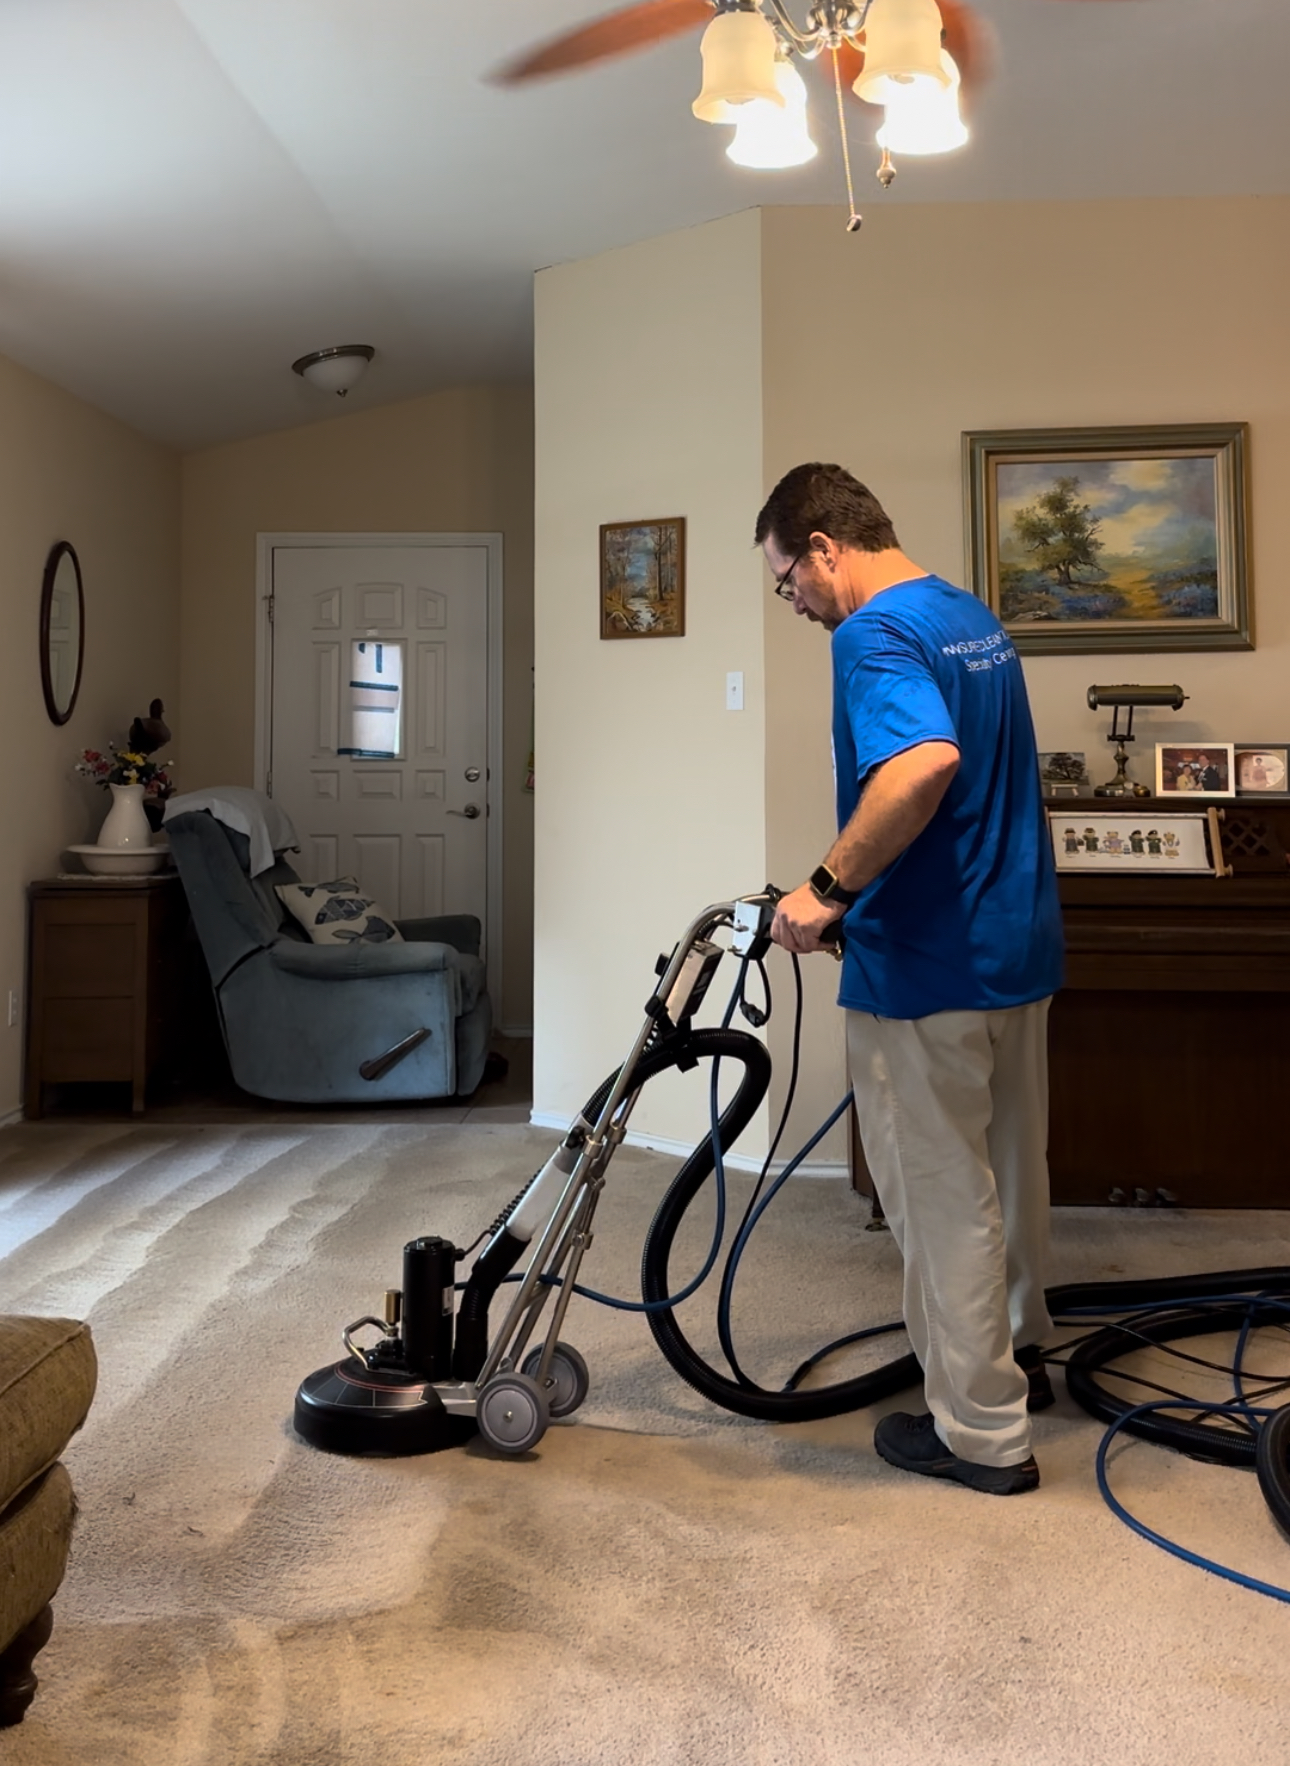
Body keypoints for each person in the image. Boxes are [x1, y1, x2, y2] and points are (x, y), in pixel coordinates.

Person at [756, 463, 1064, 1497]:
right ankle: (1020, 1352)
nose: (792, 600)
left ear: (825, 547)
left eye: (787, 577)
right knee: (1012, 1170)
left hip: (929, 964)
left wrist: (825, 887)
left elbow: (923, 761)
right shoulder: (965, 610)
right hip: (1014, 948)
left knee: (940, 1198)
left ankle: (982, 1430)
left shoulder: (873, 632)